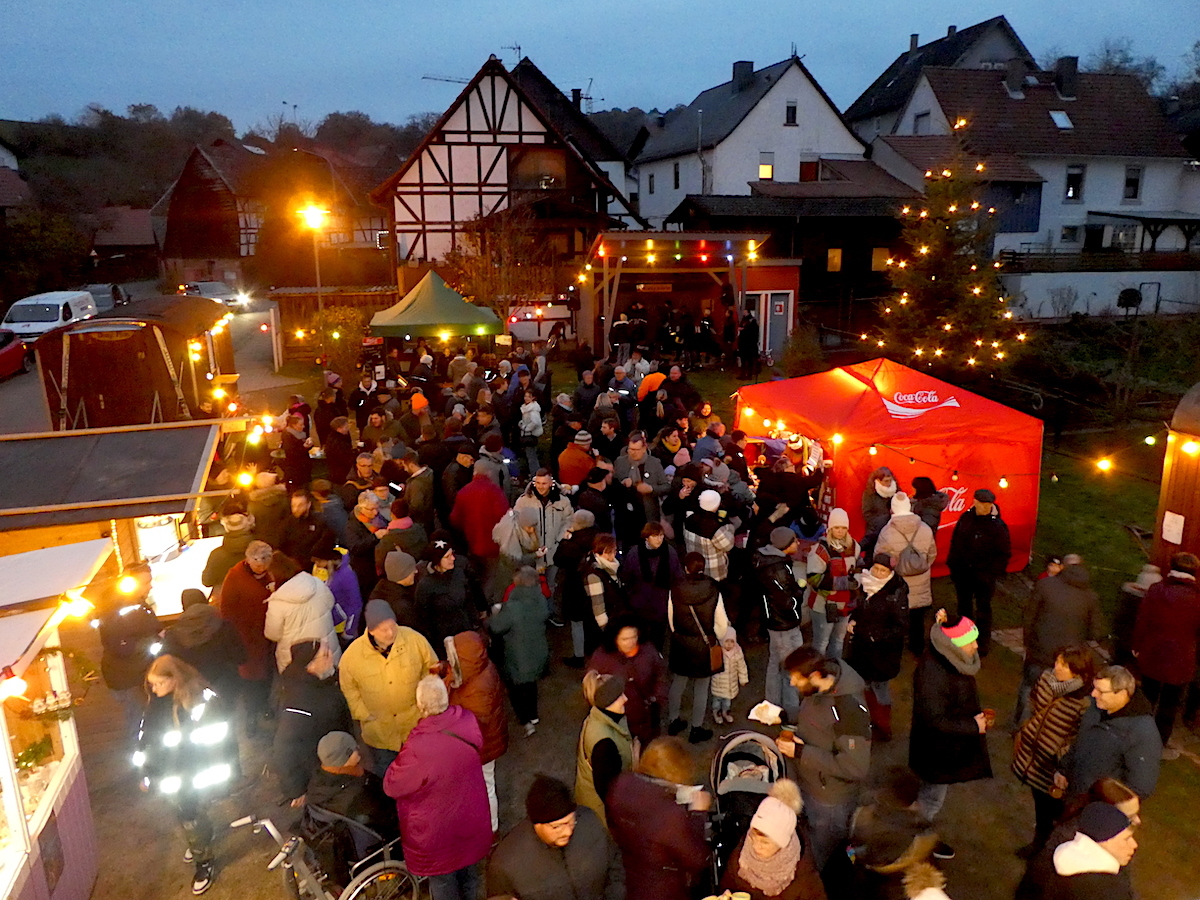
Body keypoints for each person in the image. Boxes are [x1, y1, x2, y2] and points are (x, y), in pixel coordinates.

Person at [134, 655, 236, 895]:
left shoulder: (198, 703)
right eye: (152, 684)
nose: (154, 689)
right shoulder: (156, 703)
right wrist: (145, 772)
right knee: (189, 816)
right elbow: (145, 739)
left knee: (190, 816)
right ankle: (201, 841)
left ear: (175, 679)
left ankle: (204, 862)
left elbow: (216, 742)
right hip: (167, 775)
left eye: (159, 683)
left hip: (191, 775)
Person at [383, 676, 492, 900]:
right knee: (471, 875)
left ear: (421, 706)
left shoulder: (417, 747)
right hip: (470, 817)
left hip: (437, 833)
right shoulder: (467, 721)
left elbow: (392, 786)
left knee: (443, 884)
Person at [777, 647, 872, 873]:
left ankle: (814, 883)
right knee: (807, 837)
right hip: (810, 784)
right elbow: (812, 717)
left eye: (796, 679)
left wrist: (799, 753)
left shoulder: (849, 712)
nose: (792, 684)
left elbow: (856, 767)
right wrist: (783, 715)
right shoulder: (817, 691)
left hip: (830, 801)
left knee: (820, 851)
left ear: (817, 676)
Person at [909, 610, 992, 858]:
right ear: (953, 644)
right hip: (936, 750)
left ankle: (914, 836)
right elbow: (934, 718)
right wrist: (972, 726)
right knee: (930, 801)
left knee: (929, 797)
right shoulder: (933, 673)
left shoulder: (949, 658)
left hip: (942, 748)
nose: (976, 645)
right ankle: (912, 840)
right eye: (971, 641)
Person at [1011, 645, 1096, 858]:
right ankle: (1038, 845)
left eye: (1064, 665)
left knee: (1056, 811)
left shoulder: (1084, 701)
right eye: (1057, 661)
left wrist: (1060, 754)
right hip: (1033, 756)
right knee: (1041, 807)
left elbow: (1079, 736)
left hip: (1055, 764)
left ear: (1077, 671)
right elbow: (1033, 705)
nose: (1057, 667)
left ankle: (1051, 852)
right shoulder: (1045, 681)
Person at [338, 600, 439, 777]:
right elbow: (348, 688)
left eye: (392, 626)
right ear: (371, 630)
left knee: (421, 773)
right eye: (383, 629)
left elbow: (432, 670)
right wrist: (362, 714)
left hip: (415, 726)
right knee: (387, 777)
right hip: (379, 735)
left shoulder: (415, 640)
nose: (391, 632)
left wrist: (426, 706)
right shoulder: (352, 656)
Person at [486, 773, 622, 900]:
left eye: (571, 822)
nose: (567, 832)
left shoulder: (590, 822)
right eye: (557, 827)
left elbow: (615, 864)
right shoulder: (505, 863)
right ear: (536, 824)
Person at [607, 736, 711, 900]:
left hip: (632, 873)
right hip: (664, 887)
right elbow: (696, 859)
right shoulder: (670, 815)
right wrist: (698, 814)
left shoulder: (621, 783)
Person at [1016, 561, 1103, 728]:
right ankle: (1046, 728)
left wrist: (1029, 643)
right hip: (1068, 659)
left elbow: (1028, 616)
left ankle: (1020, 726)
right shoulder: (1091, 597)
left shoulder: (1044, 585)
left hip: (1039, 651)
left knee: (1029, 688)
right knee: (1059, 696)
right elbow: (1095, 632)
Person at [1131, 550, 1200, 753]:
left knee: (1147, 698)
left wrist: (1137, 646)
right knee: (1169, 706)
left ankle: (1137, 735)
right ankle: (1158, 743)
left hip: (1153, 653)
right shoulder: (1197, 598)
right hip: (1181, 659)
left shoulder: (1156, 590)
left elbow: (1142, 620)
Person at [1059, 664, 1161, 799]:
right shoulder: (1096, 709)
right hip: (1074, 797)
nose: (1093, 694)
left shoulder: (1143, 733)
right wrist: (1064, 769)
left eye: (1101, 691)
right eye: (1094, 688)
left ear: (1122, 693)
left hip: (1098, 808)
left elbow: (1140, 787)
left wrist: (1104, 805)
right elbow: (1080, 743)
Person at [271, 641, 352, 805]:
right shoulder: (297, 703)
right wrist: (295, 790)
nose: (331, 657)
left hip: (337, 755)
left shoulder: (324, 679)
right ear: (310, 665)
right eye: (325, 655)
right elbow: (284, 748)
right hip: (318, 769)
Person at [719, 778, 827, 900]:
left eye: (765, 842)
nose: (755, 846)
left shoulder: (804, 875)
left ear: (783, 844)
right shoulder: (740, 855)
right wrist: (727, 895)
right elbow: (727, 885)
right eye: (753, 838)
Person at [444, 631, 508, 834]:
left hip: (482, 746)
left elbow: (475, 723)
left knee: (486, 785)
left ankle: (492, 827)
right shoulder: (479, 670)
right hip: (484, 743)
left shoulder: (478, 687)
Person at [666, 551, 729, 744]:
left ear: (685, 568)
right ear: (704, 567)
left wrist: (678, 633)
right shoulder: (712, 588)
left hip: (682, 642)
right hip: (704, 644)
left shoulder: (676, 586)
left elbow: (671, 617)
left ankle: (673, 720)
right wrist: (717, 638)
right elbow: (722, 623)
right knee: (702, 687)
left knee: (678, 682)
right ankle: (696, 728)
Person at [846, 553, 909, 742]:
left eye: (884, 570)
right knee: (863, 685)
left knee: (880, 689)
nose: (879, 573)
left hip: (883, 652)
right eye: (877, 569)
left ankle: (882, 727)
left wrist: (876, 636)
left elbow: (901, 626)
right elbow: (861, 608)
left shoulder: (896, 592)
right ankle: (867, 721)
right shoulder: (866, 584)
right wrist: (854, 620)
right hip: (862, 647)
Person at [218, 540, 275, 734]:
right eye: (256, 560)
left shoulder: (272, 575)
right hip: (246, 638)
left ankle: (265, 706)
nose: (260, 564)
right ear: (248, 559)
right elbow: (226, 610)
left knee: (267, 675)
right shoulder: (235, 577)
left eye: (265, 560)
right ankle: (251, 715)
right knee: (251, 679)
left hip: (269, 636)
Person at [946, 488, 1011, 655]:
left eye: (986, 504)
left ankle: (982, 644)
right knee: (964, 607)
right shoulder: (966, 518)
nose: (983, 507)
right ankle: (963, 637)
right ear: (974, 502)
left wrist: (991, 574)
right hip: (963, 573)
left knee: (983, 610)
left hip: (984, 576)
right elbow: (956, 542)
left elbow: (1003, 553)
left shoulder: (997, 526)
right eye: (980, 503)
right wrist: (953, 565)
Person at [487, 566, 550, 735]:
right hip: (537, 652)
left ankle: (526, 720)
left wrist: (495, 614)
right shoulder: (541, 600)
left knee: (516, 689)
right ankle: (534, 714)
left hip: (516, 655)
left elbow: (496, 627)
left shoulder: (513, 607)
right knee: (531, 684)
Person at [589, 616, 669, 746]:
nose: (631, 642)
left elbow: (660, 675)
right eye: (625, 639)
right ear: (614, 638)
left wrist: (658, 697)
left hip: (645, 718)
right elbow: (592, 686)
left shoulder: (648, 651)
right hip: (616, 722)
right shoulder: (601, 658)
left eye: (634, 637)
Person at [875, 492, 938, 657]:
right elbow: (932, 554)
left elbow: (880, 559)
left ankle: (896, 650)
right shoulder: (925, 528)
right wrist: (920, 567)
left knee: (897, 619)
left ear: (892, 509)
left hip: (898, 584)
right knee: (918, 620)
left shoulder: (887, 532)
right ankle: (917, 649)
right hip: (921, 583)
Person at [758, 525, 809, 720]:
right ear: (785, 545)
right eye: (794, 541)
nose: (797, 543)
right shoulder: (778, 569)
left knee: (775, 663)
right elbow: (787, 601)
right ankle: (791, 712)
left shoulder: (767, 562)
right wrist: (799, 591)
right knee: (791, 667)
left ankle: (771, 705)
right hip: (783, 623)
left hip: (774, 621)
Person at [306, 731, 397, 838]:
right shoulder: (358, 796)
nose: (358, 749)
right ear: (344, 758)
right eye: (354, 749)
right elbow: (389, 822)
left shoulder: (318, 779)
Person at [162, 590, 245, 706]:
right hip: (225, 685)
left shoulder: (172, 633)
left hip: (191, 689)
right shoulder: (224, 626)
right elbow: (241, 657)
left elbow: (168, 663)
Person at [263, 551, 341, 673]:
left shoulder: (277, 602)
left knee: (302, 688)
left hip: (297, 658)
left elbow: (272, 634)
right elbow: (330, 602)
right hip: (327, 651)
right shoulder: (316, 582)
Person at [575, 671, 634, 829]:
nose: (625, 699)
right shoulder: (603, 743)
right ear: (607, 701)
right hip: (601, 813)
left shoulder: (600, 717)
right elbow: (608, 791)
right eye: (619, 696)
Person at [1042, 802, 1138, 900]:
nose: (1134, 845)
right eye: (1126, 839)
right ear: (1104, 840)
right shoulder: (1111, 892)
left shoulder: (1049, 859)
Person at [806, 508, 861, 660]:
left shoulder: (854, 546)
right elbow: (813, 578)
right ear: (830, 528)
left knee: (838, 641)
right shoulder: (820, 550)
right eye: (837, 527)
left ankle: (834, 672)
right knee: (821, 643)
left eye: (844, 528)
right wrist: (845, 583)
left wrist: (857, 580)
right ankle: (817, 674)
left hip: (846, 604)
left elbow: (859, 566)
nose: (840, 531)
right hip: (823, 605)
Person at [620, 521, 680, 649]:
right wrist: (633, 597)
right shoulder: (635, 553)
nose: (659, 539)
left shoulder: (670, 553)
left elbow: (677, 577)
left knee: (658, 638)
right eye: (655, 536)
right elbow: (626, 577)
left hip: (661, 604)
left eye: (661, 535)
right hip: (640, 604)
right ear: (647, 537)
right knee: (640, 637)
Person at [415, 538, 479, 654]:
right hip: (443, 639)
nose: (453, 558)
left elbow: (469, 600)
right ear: (437, 560)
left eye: (453, 554)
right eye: (448, 556)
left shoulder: (459, 573)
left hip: (465, 630)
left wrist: (474, 622)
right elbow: (423, 616)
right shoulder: (425, 585)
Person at [582, 533, 629, 651]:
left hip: (614, 621)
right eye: (610, 552)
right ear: (600, 552)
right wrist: (610, 634)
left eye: (614, 551)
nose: (613, 555)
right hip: (602, 633)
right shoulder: (594, 576)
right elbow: (599, 610)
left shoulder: (611, 568)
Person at [200, 508, 257, 600]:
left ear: (226, 527)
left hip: (226, 600)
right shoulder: (260, 549)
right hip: (256, 599)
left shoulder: (216, 555)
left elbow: (207, 581)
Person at [683, 488, 736, 583]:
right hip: (713, 572)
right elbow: (728, 545)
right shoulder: (714, 527)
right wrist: (729, 527)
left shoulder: (689, 519)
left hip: (694, 568)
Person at [278, 488, 334, 570]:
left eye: (300, 505)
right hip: (295, 568)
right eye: (293, 506)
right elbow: (281, 547)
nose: (296, 509)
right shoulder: (287, 524)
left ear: (308, 504)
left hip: (316, 568)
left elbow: (326, 543)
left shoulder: (320, 521)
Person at [344, 492, 387, 597]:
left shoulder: (377, 518)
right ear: (362, 508)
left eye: (377, 508)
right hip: (365, 569)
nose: (376, 512)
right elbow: (355, 547)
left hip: (379, 562)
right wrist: (375, 537)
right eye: (371, 509)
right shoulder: (352, 525)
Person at [710, 624, 749, 725]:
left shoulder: (737, 652)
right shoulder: (718, 651)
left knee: (727, 702)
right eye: (726, 641)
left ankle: (725, 712)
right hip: (719, 683)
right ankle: (716, 713)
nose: (729, 644)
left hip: (731, 684)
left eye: (732, 641)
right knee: (717, 701)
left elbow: (742, 666)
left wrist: (743, 679)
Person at [860, 466, 898, 558]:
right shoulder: (870, 493)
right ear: (878, 481)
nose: (889, 483)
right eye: (886, 481)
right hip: (874, 532)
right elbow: (866, 513)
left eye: (890, 480)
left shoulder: (896, 491)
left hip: (892, 531)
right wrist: (881, 522)